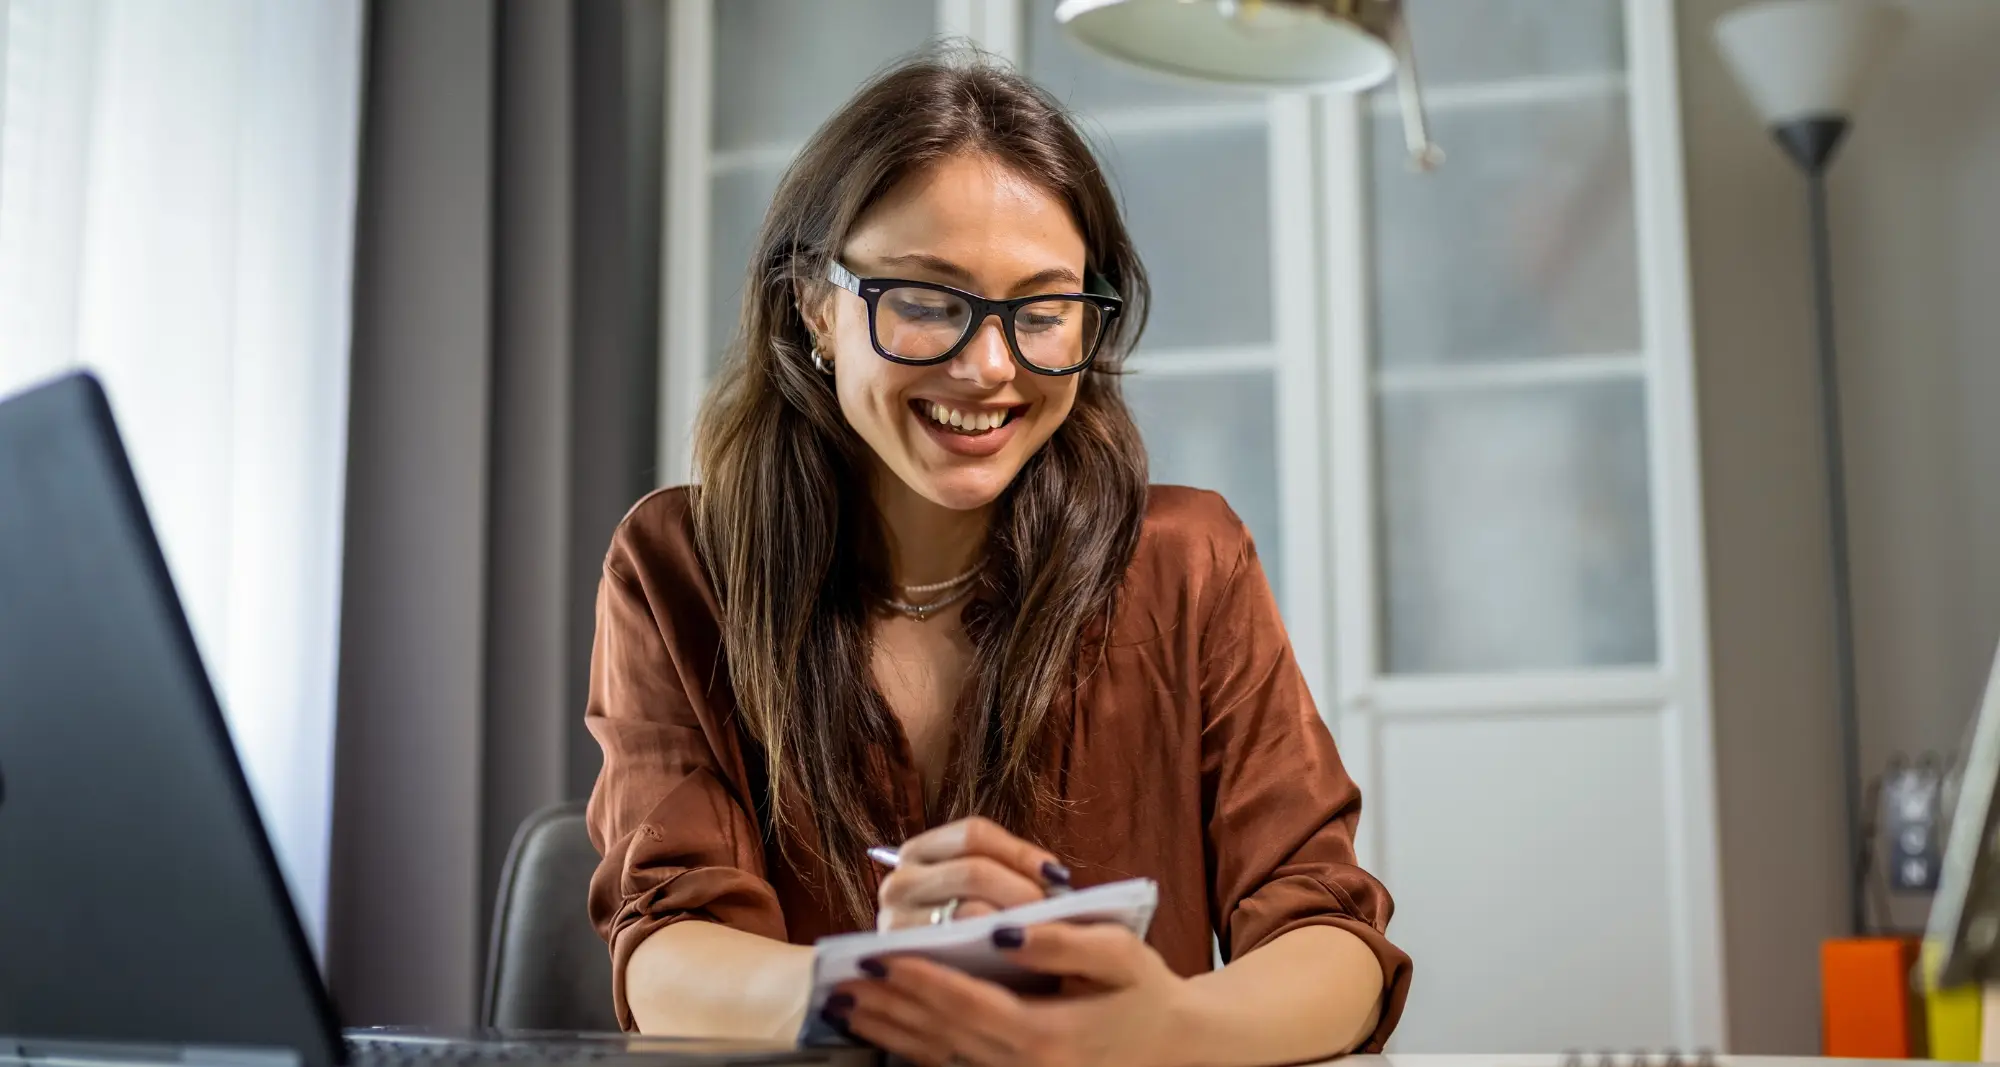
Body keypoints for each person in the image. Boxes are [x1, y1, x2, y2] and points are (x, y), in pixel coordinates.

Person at [585, 52, 1411, 1067]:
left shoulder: (1188, 563)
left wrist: (1166, 1025)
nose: (989, 366)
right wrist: (880, 985)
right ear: (813, 305)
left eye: (1042, 310)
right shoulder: (678, 567)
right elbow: (664, 944)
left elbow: (1331, 935)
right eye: (927, 300)